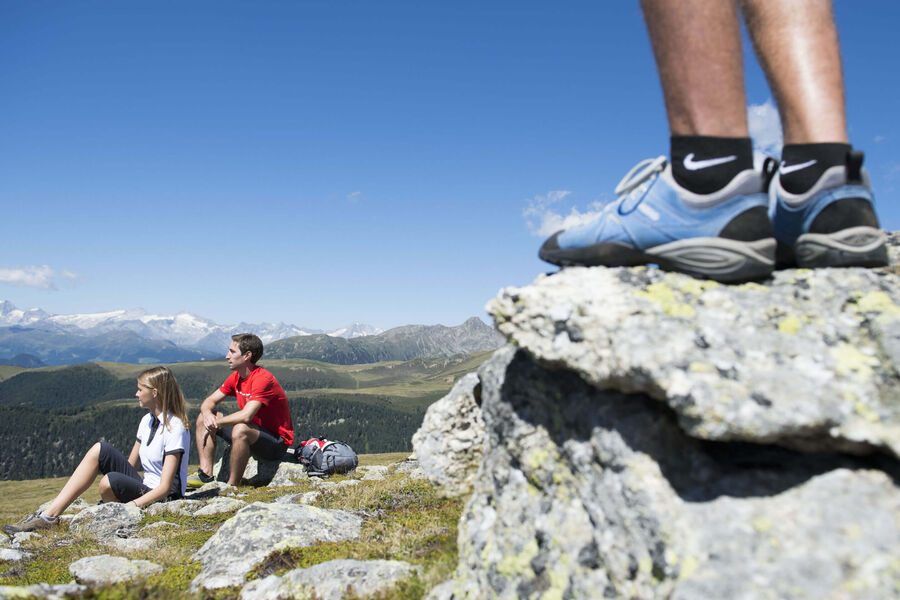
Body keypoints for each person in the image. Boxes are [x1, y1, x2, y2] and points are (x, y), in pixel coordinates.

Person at [539, 0, 887, 282]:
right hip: (844, 187)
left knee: (708, 173)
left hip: (706, 193)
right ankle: (823, 183)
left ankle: (706, 180)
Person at [3, 366, 191, 534]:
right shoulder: (147, 421)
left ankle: (112, 520)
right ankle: (48, 516)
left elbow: (166, 488)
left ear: (155, 393)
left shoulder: (176, 427)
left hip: (165, 498)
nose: (136, 394)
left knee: (109, 482)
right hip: (145, 489)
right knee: (99, 449)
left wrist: (129, 507)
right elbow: (128, 465)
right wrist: (121, 483)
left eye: (140, 389)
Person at [187, 333, 294, 488]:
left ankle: (232, 485)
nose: (226, 356)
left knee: (240, 429)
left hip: (276, 443)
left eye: (232, 352)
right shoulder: (236, 377)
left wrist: (217, 423)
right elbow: (209, 401)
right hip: (253, 433)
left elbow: (246, 415)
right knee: (203, 419)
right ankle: (205, 475)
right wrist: (208, 415)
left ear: (247, 356)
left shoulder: (263, 379)